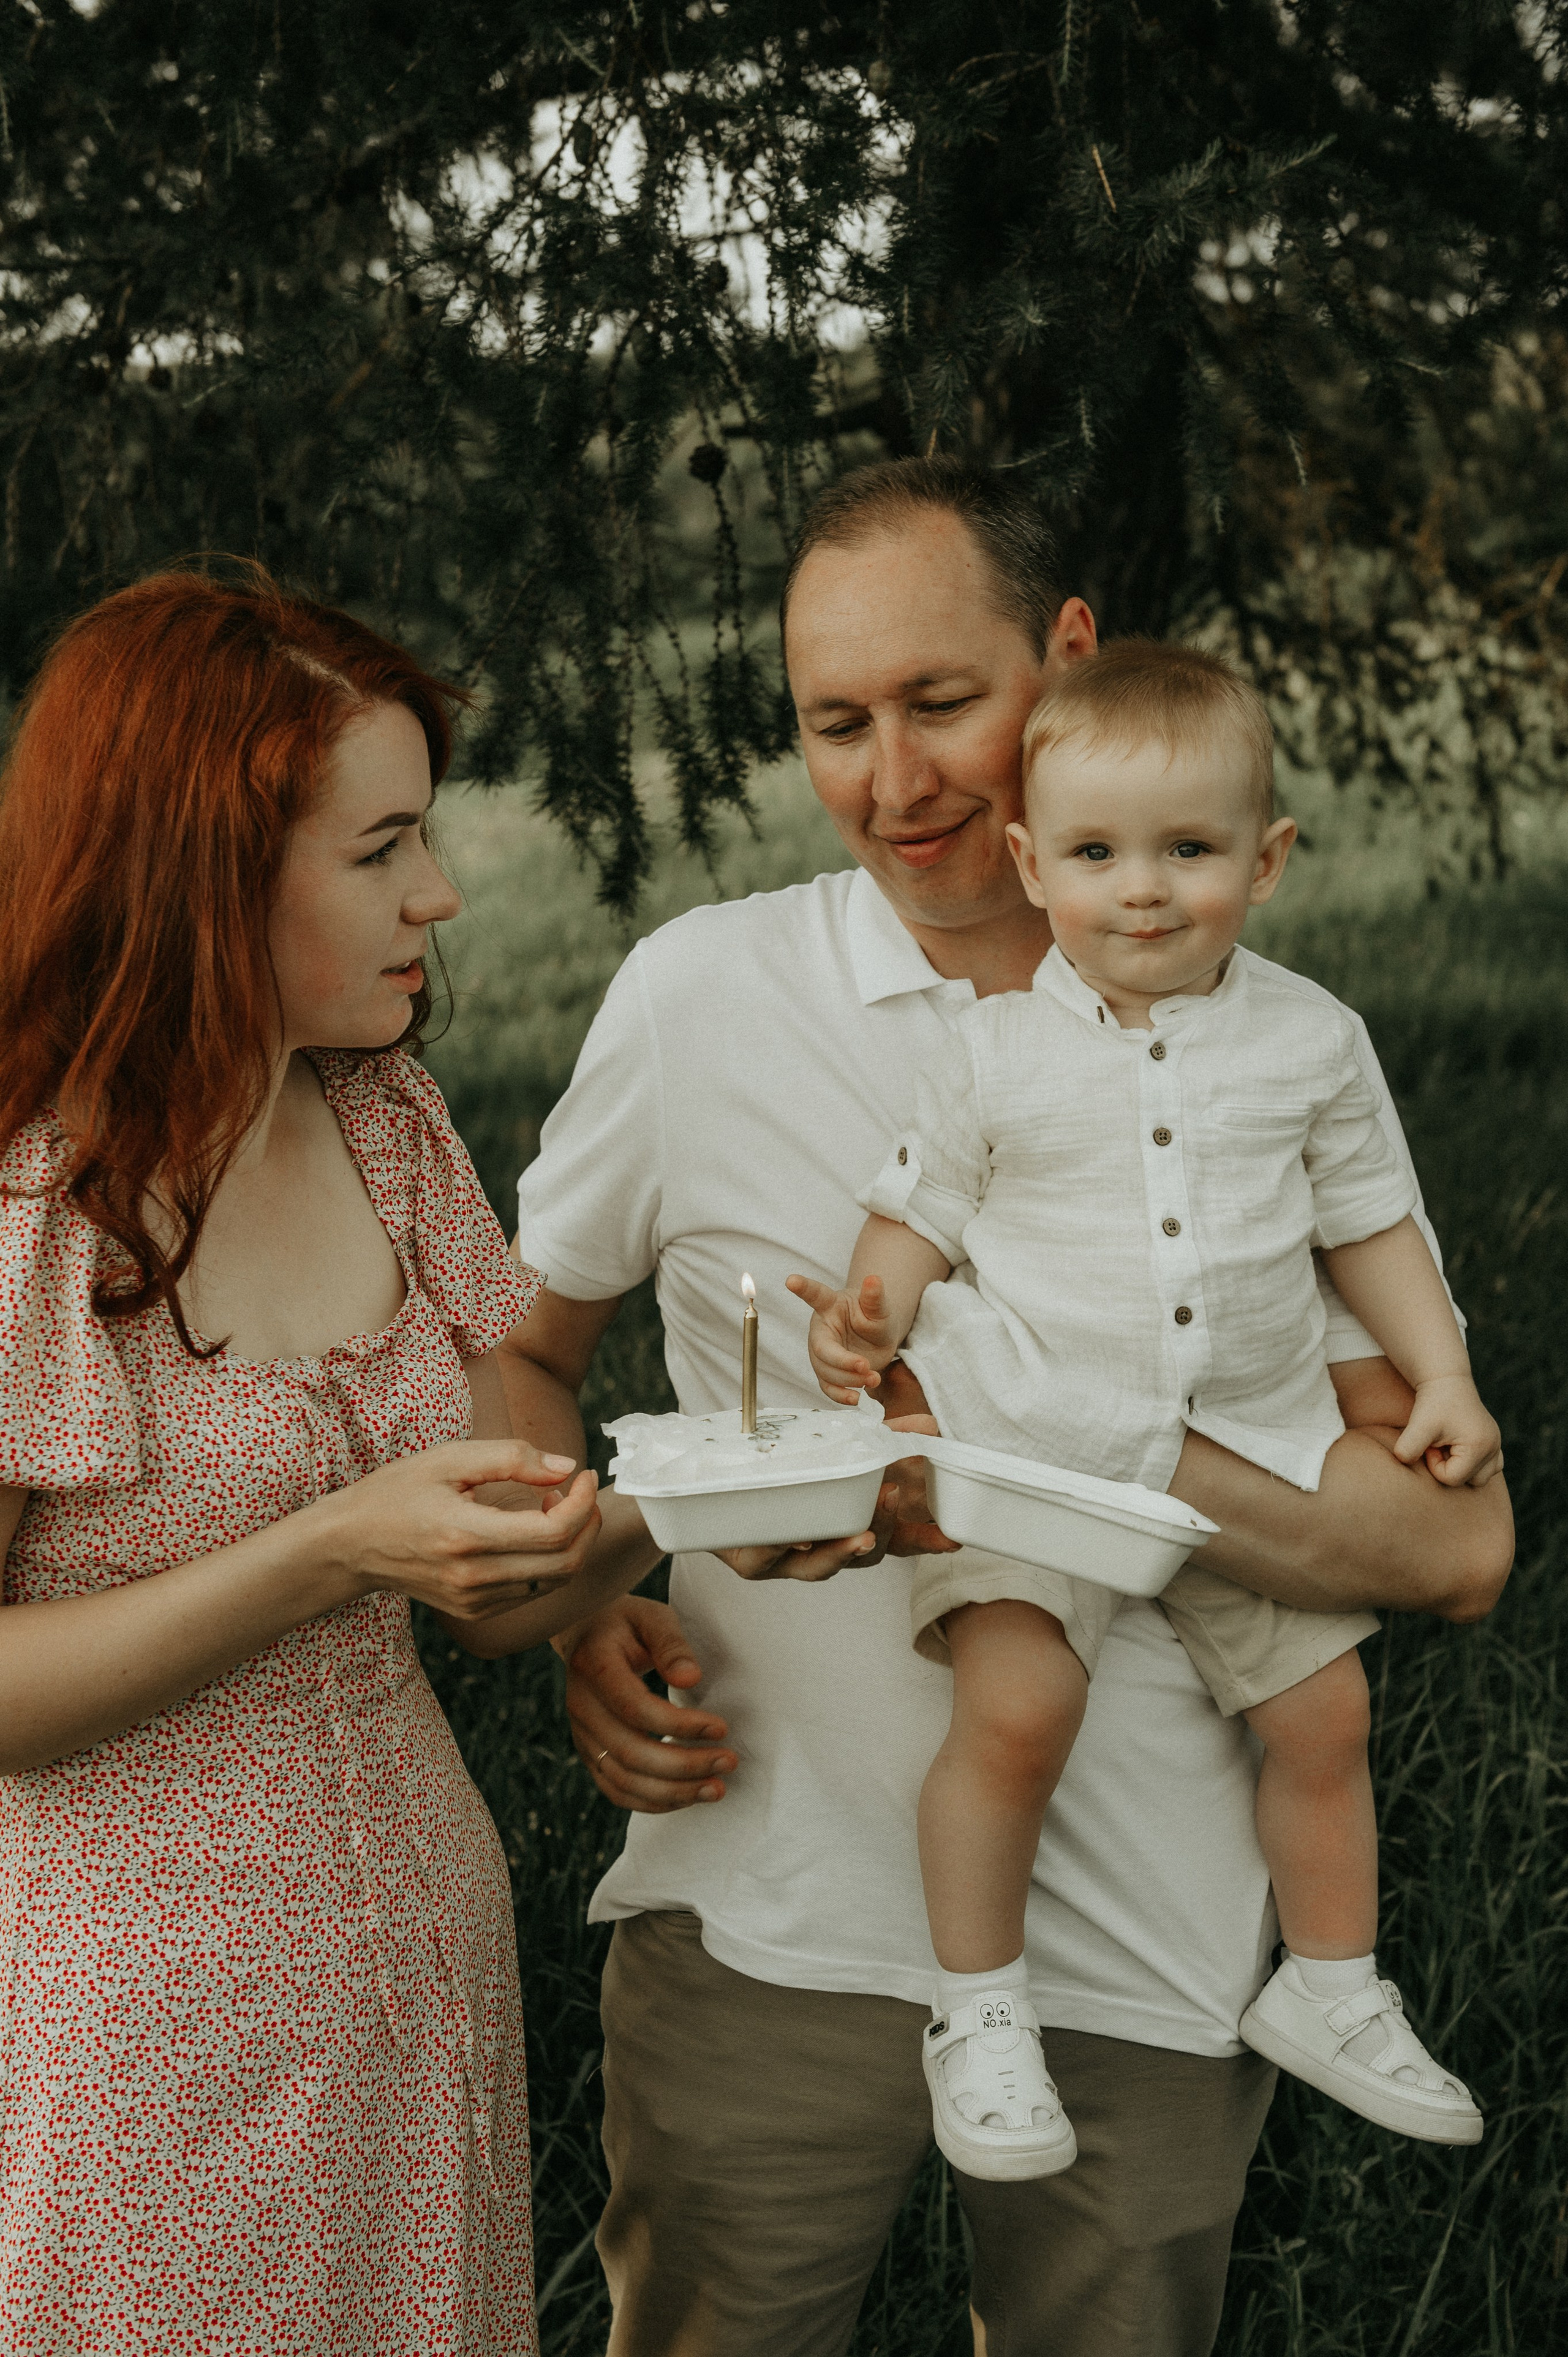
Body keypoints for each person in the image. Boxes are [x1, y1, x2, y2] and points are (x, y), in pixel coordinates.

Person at [493, 459, 1513, 2357]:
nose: (895, 782)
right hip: (772, 1928)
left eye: (942, 703)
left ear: (1067, 655)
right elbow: (524, 1352)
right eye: (836, 724)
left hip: (1156, 1960)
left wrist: (999, 1439)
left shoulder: (1258, 1055)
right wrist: (579, 1602)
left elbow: (1454, 1546)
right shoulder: (699, 997)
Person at [0, 569, 652, 2354]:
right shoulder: (33, 1203)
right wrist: (326, 1551)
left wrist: (693, 1517)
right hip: (133, 2040)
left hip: (420, 1990)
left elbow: (503, 1588)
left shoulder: (387, 1122)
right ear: (200, 874)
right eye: (381, 849)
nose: (438, 892)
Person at [798, 638, 1498, 2184]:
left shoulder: (1309, 1040)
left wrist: (1439, 1372)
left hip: (1251, 1440)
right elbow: (913, 1222)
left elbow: (1368, 1225)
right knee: (1016, 1706)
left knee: (1322, 1716)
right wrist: (869, 1315)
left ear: (1267, 857)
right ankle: (979, 2010)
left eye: (1188, 851)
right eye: (1097, 854)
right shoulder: (990, 1053)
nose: (1142, 892)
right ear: (1028, 865)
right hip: (1032, 1453)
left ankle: (1329, 1984)